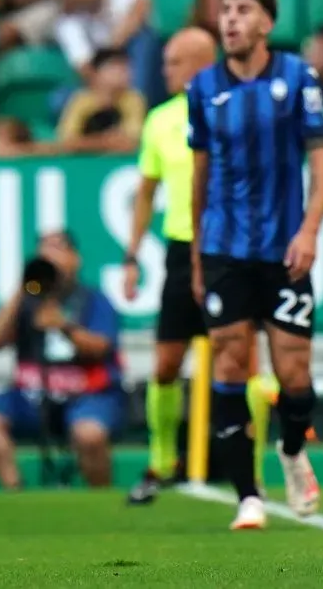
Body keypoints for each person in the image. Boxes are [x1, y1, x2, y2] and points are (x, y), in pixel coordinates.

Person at [188, 0, 323, 530]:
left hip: (283, 250)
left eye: (243, 10)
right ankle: (248, 494)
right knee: (229, 361)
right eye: (225, 10)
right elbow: (199, 175)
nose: (230, 19)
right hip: (224, 249)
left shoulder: (297, 77)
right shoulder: (202, 87)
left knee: (294, 373)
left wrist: (309, 231)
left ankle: (292, 449)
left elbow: (320, 159)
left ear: (267, 23)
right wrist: (197, 255)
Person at [122, 27, 218, 504]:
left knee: (238, 360)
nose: (165, 71)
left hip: (227, 247)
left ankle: (245, 464)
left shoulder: (229, 107)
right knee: (165, 364)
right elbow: (146, 191)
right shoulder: (160, 120)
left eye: (174, 62)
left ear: (202, 62)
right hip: (181, 248)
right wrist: (131, 255)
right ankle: (161, 460)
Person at [0, 231, 127, 490]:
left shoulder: (94, 299)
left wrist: (64, 326)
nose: (52, 257)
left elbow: (102, 347)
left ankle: (101, 495)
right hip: (33, 397)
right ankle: (14, 489)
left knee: (89, 434)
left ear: (75, 259)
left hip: (87, 394)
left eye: (59, 250)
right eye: (45, 250)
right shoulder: (27, 300)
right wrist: (24, 288)